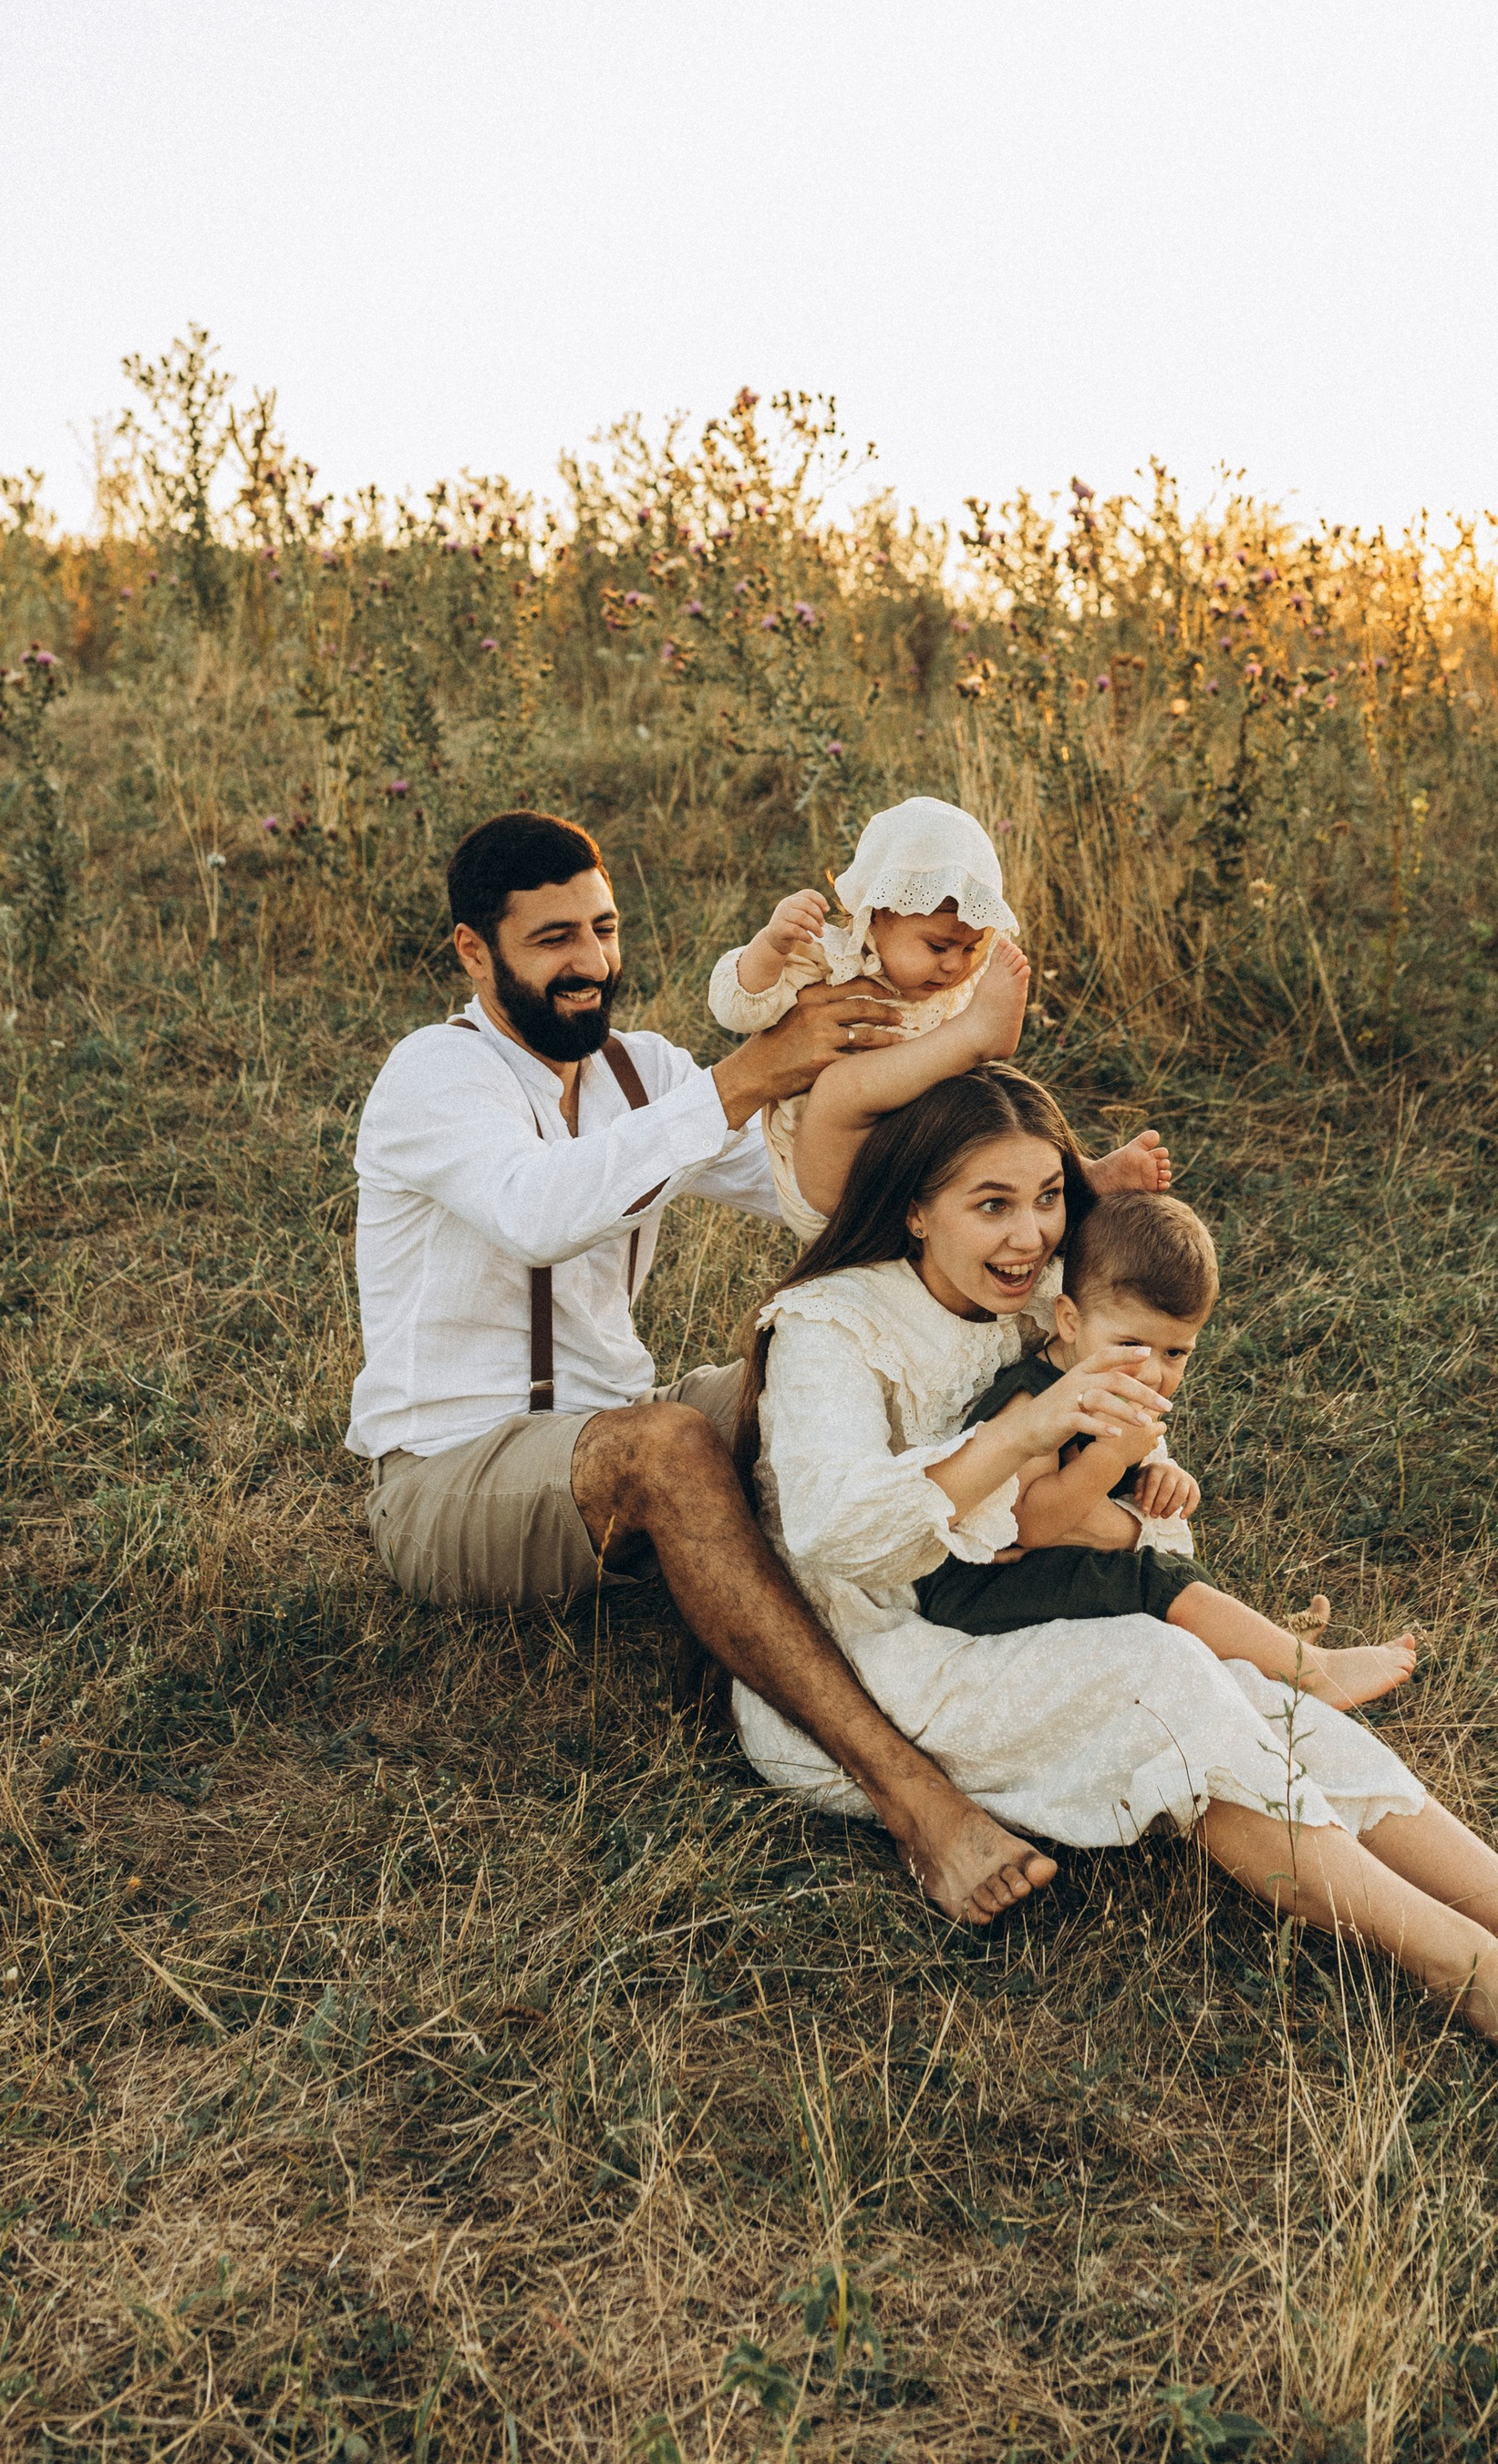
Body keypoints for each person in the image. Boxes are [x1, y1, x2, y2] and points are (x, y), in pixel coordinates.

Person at [734, 1067, 1498, 2076]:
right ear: (913, 1210)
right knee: (1175, 1680)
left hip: (1017, 1606)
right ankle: (1482, 1979)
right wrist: (1031, 1438)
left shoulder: (1039, 1305)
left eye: (1046, 1198)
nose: (1029, 1236)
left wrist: (1125, 1513)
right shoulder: (832, 1325)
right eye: (991, 1205)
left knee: (1275, 1704)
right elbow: (831, 1533)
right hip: (877, 1652)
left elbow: (1090, 1485)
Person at [346, 809, 1060, 1926]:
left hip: (612, 1423)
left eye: (603, 930)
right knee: (675, 1443)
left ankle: (1015, 1661)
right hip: (448, 1472)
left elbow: (815, 1199)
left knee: (803, 1372)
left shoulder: (646, 1074)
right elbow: (536, 1213)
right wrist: (742, 1078)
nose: (590, 964)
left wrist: (893, 1082)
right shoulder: (434, 1077)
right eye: (552, 942)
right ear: (474, 953)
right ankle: (913, 1797)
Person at [914, 1188, 1421, 1717]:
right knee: (1156, 1580)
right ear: (1070, 1321)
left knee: (1171, 1578)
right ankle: (1311, 1674)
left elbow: (1121, 1473)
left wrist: (1158, 1471)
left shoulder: (1111, 1385)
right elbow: (1032, 1523)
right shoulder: (1034, 1398)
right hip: (976, 1589)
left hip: (1046, 1567)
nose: (1154, 1371)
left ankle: (1271, 1651)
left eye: (1176, 1352)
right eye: (1134, 1345)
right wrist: (1113, 1458)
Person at [707, 792, 1170, 1240]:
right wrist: (770, 946)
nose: (955, 964)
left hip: (929, 1170)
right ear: (877, 915)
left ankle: (1078, 1177)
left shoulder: (953, 989)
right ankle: (974, 1045)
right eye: (937, 945)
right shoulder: (827, 959)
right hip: (835, 1175)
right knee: (861, 1084)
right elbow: (736, 1009)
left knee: (997, 1097)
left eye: (971, 947)